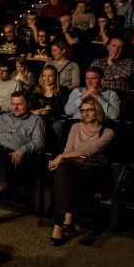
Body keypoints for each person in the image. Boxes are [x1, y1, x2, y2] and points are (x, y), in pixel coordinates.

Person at [47, 98, 115, 245]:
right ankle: (67, 216)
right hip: (73, 168)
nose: (86, 113)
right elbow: (68, 149)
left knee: (62, 176)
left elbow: (90, 150)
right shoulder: (76, 127)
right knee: (63, 170)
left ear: (97, 110)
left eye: (89, 109)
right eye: (83, 110)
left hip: (93, 172)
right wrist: (62, 159)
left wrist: (61, 157)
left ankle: (60, 225)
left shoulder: (108, 132)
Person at [0, 92, 45, 228]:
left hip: (15, 158)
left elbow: (39, 143)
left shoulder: (37, 120)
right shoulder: (3, 117)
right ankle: (0, 181)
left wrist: (22, 150)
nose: (15, 107)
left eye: (19, 104)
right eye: (13, 104)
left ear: (29, 104)